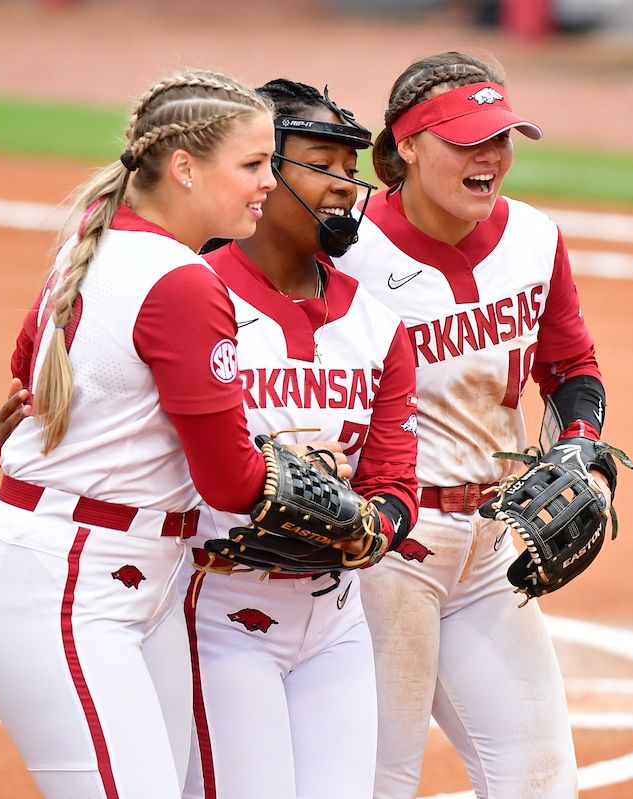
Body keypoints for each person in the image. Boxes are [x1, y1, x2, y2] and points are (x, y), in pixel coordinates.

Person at [0, 69, 301, 799]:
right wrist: (332, 502)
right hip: (71, 588)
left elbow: (26, 398)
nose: (270, 181)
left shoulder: (98, 240)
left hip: (122, 577)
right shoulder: (179, 280)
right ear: (184, 167)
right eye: (252, 164)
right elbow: (230, 481)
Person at [334, 52, 616, 798]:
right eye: (467, 140)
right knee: (375, 783)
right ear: (406, 146)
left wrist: (582, 451)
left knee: (541, 780)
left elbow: (569, 366)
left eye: (502, 136)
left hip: (491, 547)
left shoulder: (534, 238)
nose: (491, 156)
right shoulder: (344, 248)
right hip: (384, 550)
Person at [182, 78, 419, 799]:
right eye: (323, 165)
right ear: (262, 172)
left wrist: (368, 527)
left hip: (335, 622)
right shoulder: (193, 295)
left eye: (353, 172)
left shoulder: (379, 327)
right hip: (217, 615)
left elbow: (394, 483)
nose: (346, 187)